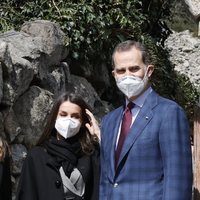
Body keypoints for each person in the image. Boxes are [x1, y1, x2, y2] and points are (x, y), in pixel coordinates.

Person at [99, 40, 193, 200]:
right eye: (121, 71)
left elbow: (177, 180)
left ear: (149, 70)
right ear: (114, 74)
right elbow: (106, 181)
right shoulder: (109, 121)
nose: (127, 75)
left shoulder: (169, 113)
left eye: (134, 69)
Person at [16, 91, 100, 200]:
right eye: (63, 114)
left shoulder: (91, 155)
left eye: (75, 116)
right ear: (55, 116)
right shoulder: (37, 156)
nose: (68, 120)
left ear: (82, 121)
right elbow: (27, 194)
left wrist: (98, 135)